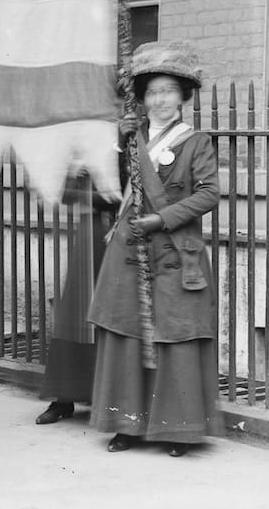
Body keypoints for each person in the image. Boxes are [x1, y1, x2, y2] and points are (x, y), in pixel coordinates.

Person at [88, 40, 222, 457]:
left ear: (183, 97)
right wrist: (117, 140)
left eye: (168, 91)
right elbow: (105, 191)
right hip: (128, 252)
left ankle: (177, 429)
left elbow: (210, 193)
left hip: (174, 250)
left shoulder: (195, 142)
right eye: (152, 92)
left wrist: (162, 219)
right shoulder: (131, 140)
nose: (160, 100)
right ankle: (126, 425)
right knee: (128, 336)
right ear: (142, 99)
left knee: (175, 339)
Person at [34, 175, 115, 425]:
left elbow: (128, 192)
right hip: (91, 233)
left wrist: (88, 194)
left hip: (120, 231)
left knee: (115, 317)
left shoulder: (131, 139)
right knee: (76, 314)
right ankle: (64, 397)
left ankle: (113, 398)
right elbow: (67, 194)